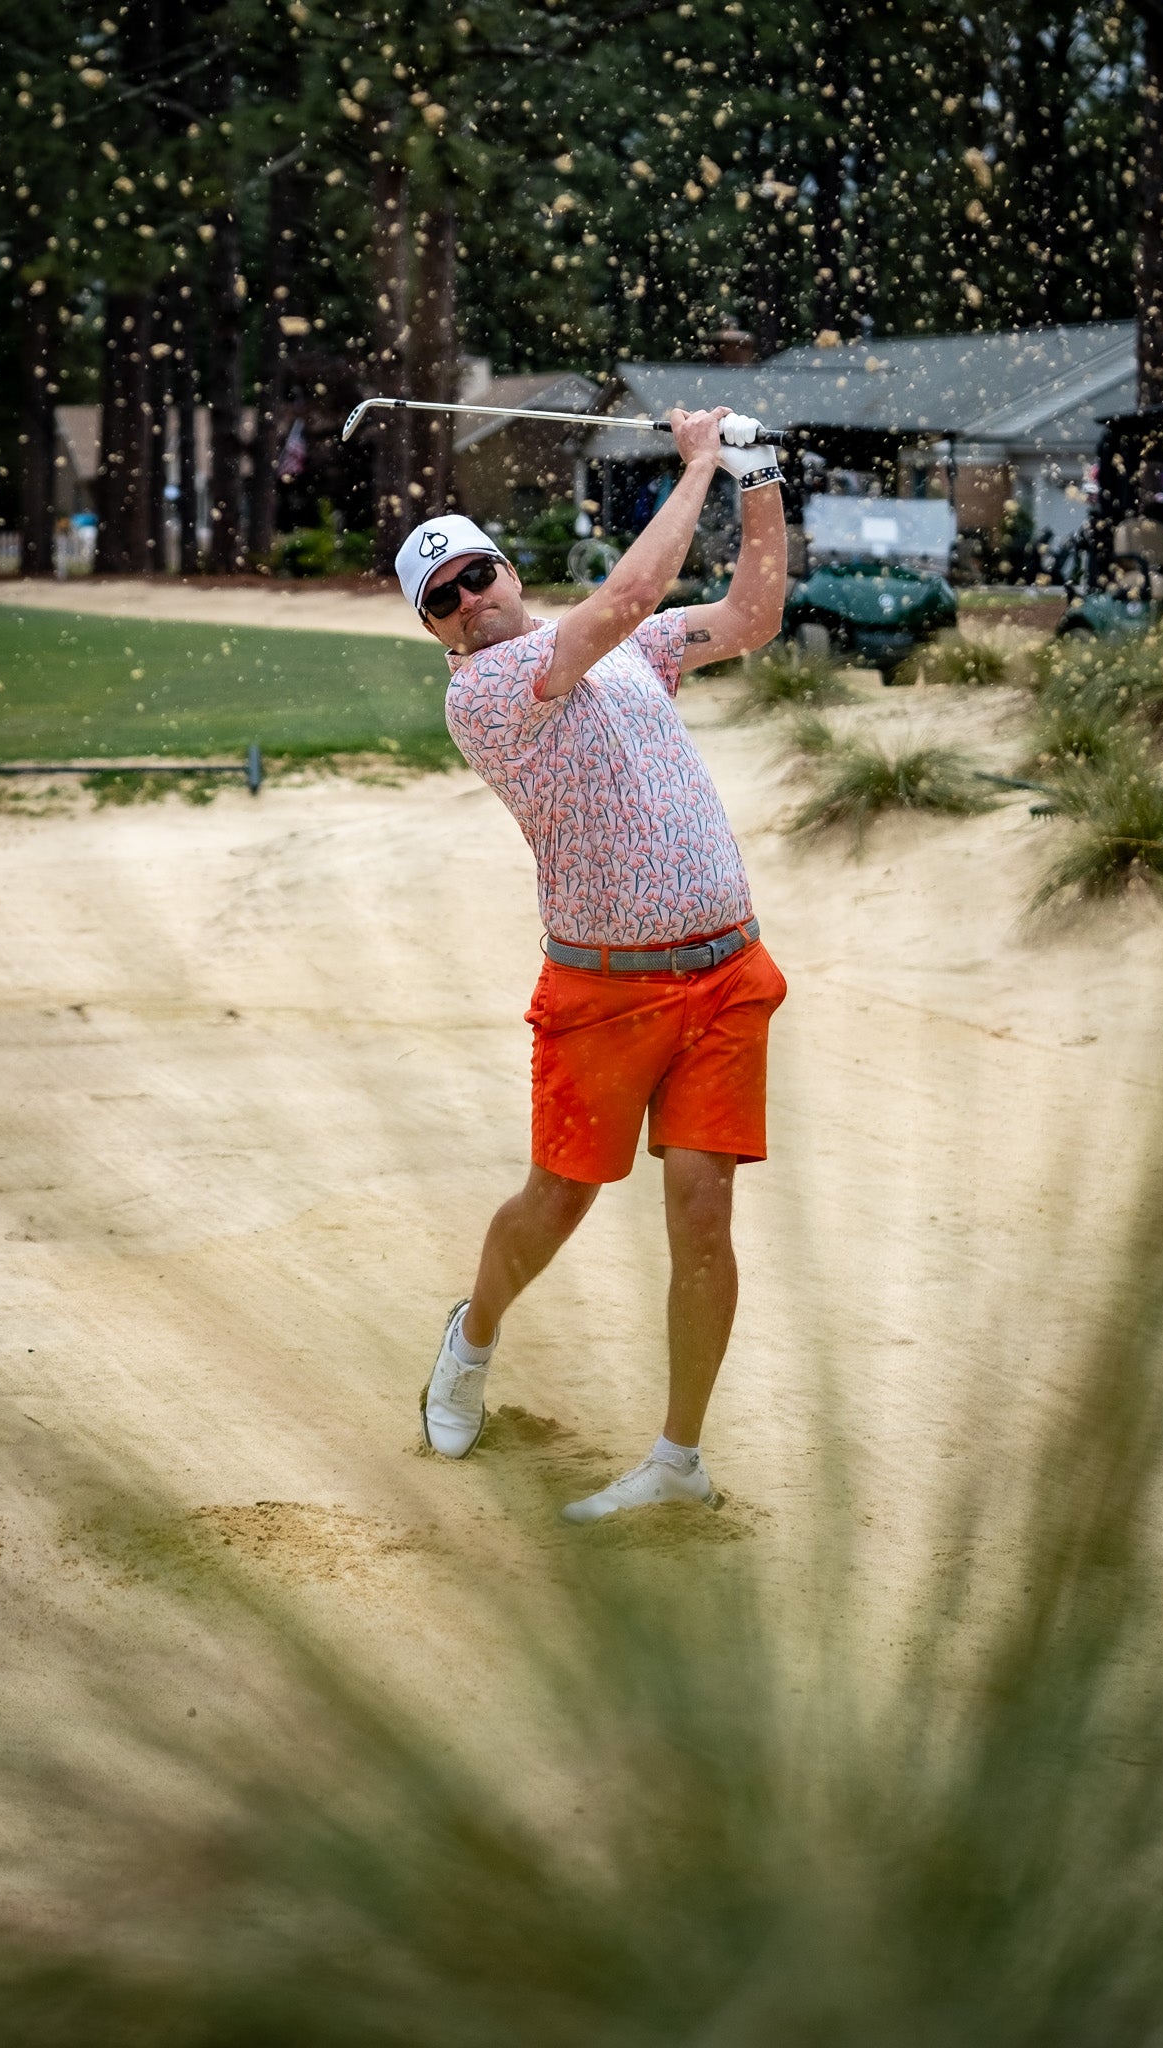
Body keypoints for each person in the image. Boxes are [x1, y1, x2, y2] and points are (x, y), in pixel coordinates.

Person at [397, 406, 789, 1523]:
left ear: (509, 570)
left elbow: (754, 615)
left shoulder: (631, 658)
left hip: (725, 976)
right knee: (560, 1196)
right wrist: (703, 463)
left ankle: (677, 1455)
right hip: (601, 991)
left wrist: (757, 477)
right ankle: (471, 1338)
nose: (469, 599)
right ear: (435, 628)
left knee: (703, 1212)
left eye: (477, 574)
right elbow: (627, 601)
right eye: (444, 598)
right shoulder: (483, 693)